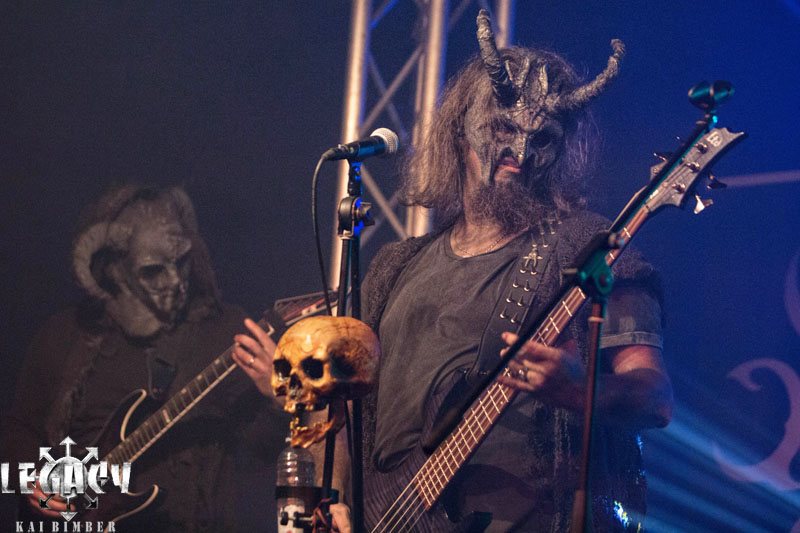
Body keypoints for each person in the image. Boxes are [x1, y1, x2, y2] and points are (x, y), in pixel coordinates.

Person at [238, 10, 673, 532]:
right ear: (459, 130)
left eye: (542, 139)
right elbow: (348, 418)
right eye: (503, 128)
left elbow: (655, 398)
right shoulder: (395, 268)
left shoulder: (588, 249)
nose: (519, 152)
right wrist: (338, 503)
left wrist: (579, 388)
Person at [1, 185, 287, 531]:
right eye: (153, 270)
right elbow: (17, 432)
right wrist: (33, 478)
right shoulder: (66, 335)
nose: (176, 281)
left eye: (182, 261)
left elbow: (259, 451)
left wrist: (279, 397)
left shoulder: (225, 332)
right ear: (115, 270)